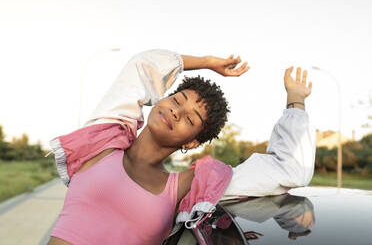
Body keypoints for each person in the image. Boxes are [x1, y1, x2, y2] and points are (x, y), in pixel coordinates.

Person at [47, 49, 315, 245]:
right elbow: (142, 65)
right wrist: (208, 63)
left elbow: (290, 170)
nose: (176, 112)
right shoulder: (103, 143)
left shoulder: (188, 187)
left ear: (192, 142)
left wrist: (296, 99)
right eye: (177, 100)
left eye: (189, 118)